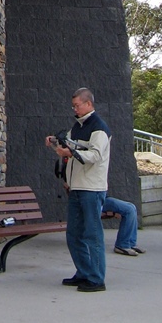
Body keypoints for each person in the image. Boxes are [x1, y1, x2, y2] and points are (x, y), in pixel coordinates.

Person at [45, 87, 111, 292]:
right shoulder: (77, 126)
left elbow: (95, 156)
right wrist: (55, 145)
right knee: (74, 234)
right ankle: (83, 272)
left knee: (92, 234)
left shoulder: (99, 127)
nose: (75, 109)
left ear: (89, 104)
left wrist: (71, 152)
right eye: (73, 106)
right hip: (76, 188)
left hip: (92, 189)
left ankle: (97, 279)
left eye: (77, 105)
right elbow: (69, 151)